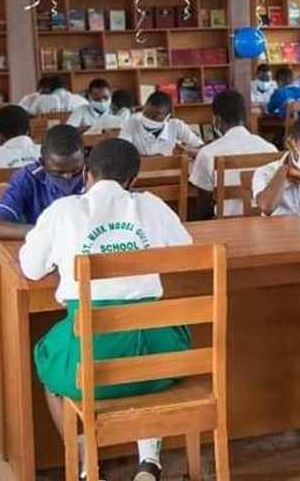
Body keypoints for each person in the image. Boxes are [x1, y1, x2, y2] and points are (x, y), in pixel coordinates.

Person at [20, 138, 192, 481]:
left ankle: (87, 461)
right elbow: (184, 250)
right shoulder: (152, 206)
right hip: (156, 359)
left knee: (49, 366)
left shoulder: (64, 211)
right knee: (146, 370)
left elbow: (30, 268)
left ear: (86, 174)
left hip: (90, 364)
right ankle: (148, 462)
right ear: (133, 182)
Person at [0, 125, 86, 242]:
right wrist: (48, 232)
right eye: (58, 173)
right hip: (43, 247)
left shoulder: (95, 174)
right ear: (42, 163)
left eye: (76, 171)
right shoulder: (28, 177)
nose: (68, 177)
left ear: (84, 158)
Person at [190, 90, 278, 220]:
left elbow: (204, 207)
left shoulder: (207, 153)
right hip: (264, 222)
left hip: (227, 224)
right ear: (245, 117)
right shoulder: (270, 149)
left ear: (217, 119)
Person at [119, 91, 203, 157]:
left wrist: (186, 151)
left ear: (167, 116)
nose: (149, 118)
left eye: (156, 116)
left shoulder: (176, 125)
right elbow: (123, 153)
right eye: (146, 113)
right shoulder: (131, 123)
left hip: (173, 173)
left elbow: (200, 147)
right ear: (144, 107)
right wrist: (157, 158)